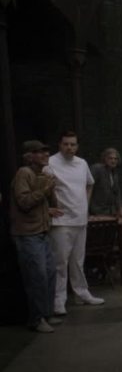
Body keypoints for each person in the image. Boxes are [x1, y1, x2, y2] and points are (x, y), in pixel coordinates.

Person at [45, 130, 105, 314]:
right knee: (60, 262)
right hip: (61, 220)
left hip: (80, 219)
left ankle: (82, 293)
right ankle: (58, 299)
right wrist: (49, 207)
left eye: (72, 144)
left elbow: (90, 183)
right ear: (59, 145)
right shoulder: (50, 163)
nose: (69, 147)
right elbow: (43, 188)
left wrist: (85, 204)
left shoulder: (82, 163)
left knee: (78, 261)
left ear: (77, 146)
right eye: (66, 144)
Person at [10, 140, 63, 332]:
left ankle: (46, 314)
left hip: (42, 232)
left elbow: (47, 203)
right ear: (29, 156)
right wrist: (45, 190)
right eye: (39, 152)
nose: (45, 155)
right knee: (37, 276)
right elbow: (24, 202)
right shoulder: (24, 173)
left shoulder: (41, 175)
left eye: (46, 151)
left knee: (49, 273)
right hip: (27, 234)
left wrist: (50, 190)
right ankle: (36, 319)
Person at [89, 147, 122, 216]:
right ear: (105, 159)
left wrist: (120, 209)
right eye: (110, 158)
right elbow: (88, 187)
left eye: (115, 159)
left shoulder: (114, 173)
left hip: (109, 211)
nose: (113, 161)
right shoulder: (97, 169)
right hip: (95, 210)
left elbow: (117, 193)